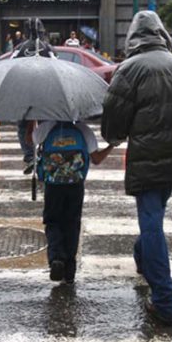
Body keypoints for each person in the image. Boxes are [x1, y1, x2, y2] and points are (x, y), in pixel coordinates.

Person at [101, 11, 172, 325]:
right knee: (154, 217)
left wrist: (113, 139)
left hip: (147, 159)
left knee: (152, 225)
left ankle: (165, 301)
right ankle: (143, 257)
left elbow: (113, 121)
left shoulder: (129, 69)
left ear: (133, 37)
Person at [33, 121, 116, 284]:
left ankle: (57, 257)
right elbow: (97, 159)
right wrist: (111, 146)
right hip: (75, 184)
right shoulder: (83, 130)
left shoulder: (46, 128)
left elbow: (32, 140)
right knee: (72, 223)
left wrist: (32, 122)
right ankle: (69, 271)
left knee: (53, 221)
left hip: (53, 184)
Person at [13, 18, 56, 174]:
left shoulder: (19, 49)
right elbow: (56, 68)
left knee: (23, 127)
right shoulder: (48, 48)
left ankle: (30, 156)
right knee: (48, 126)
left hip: (24, 93)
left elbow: (11, 69)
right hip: (46, 94)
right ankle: (44, 154)